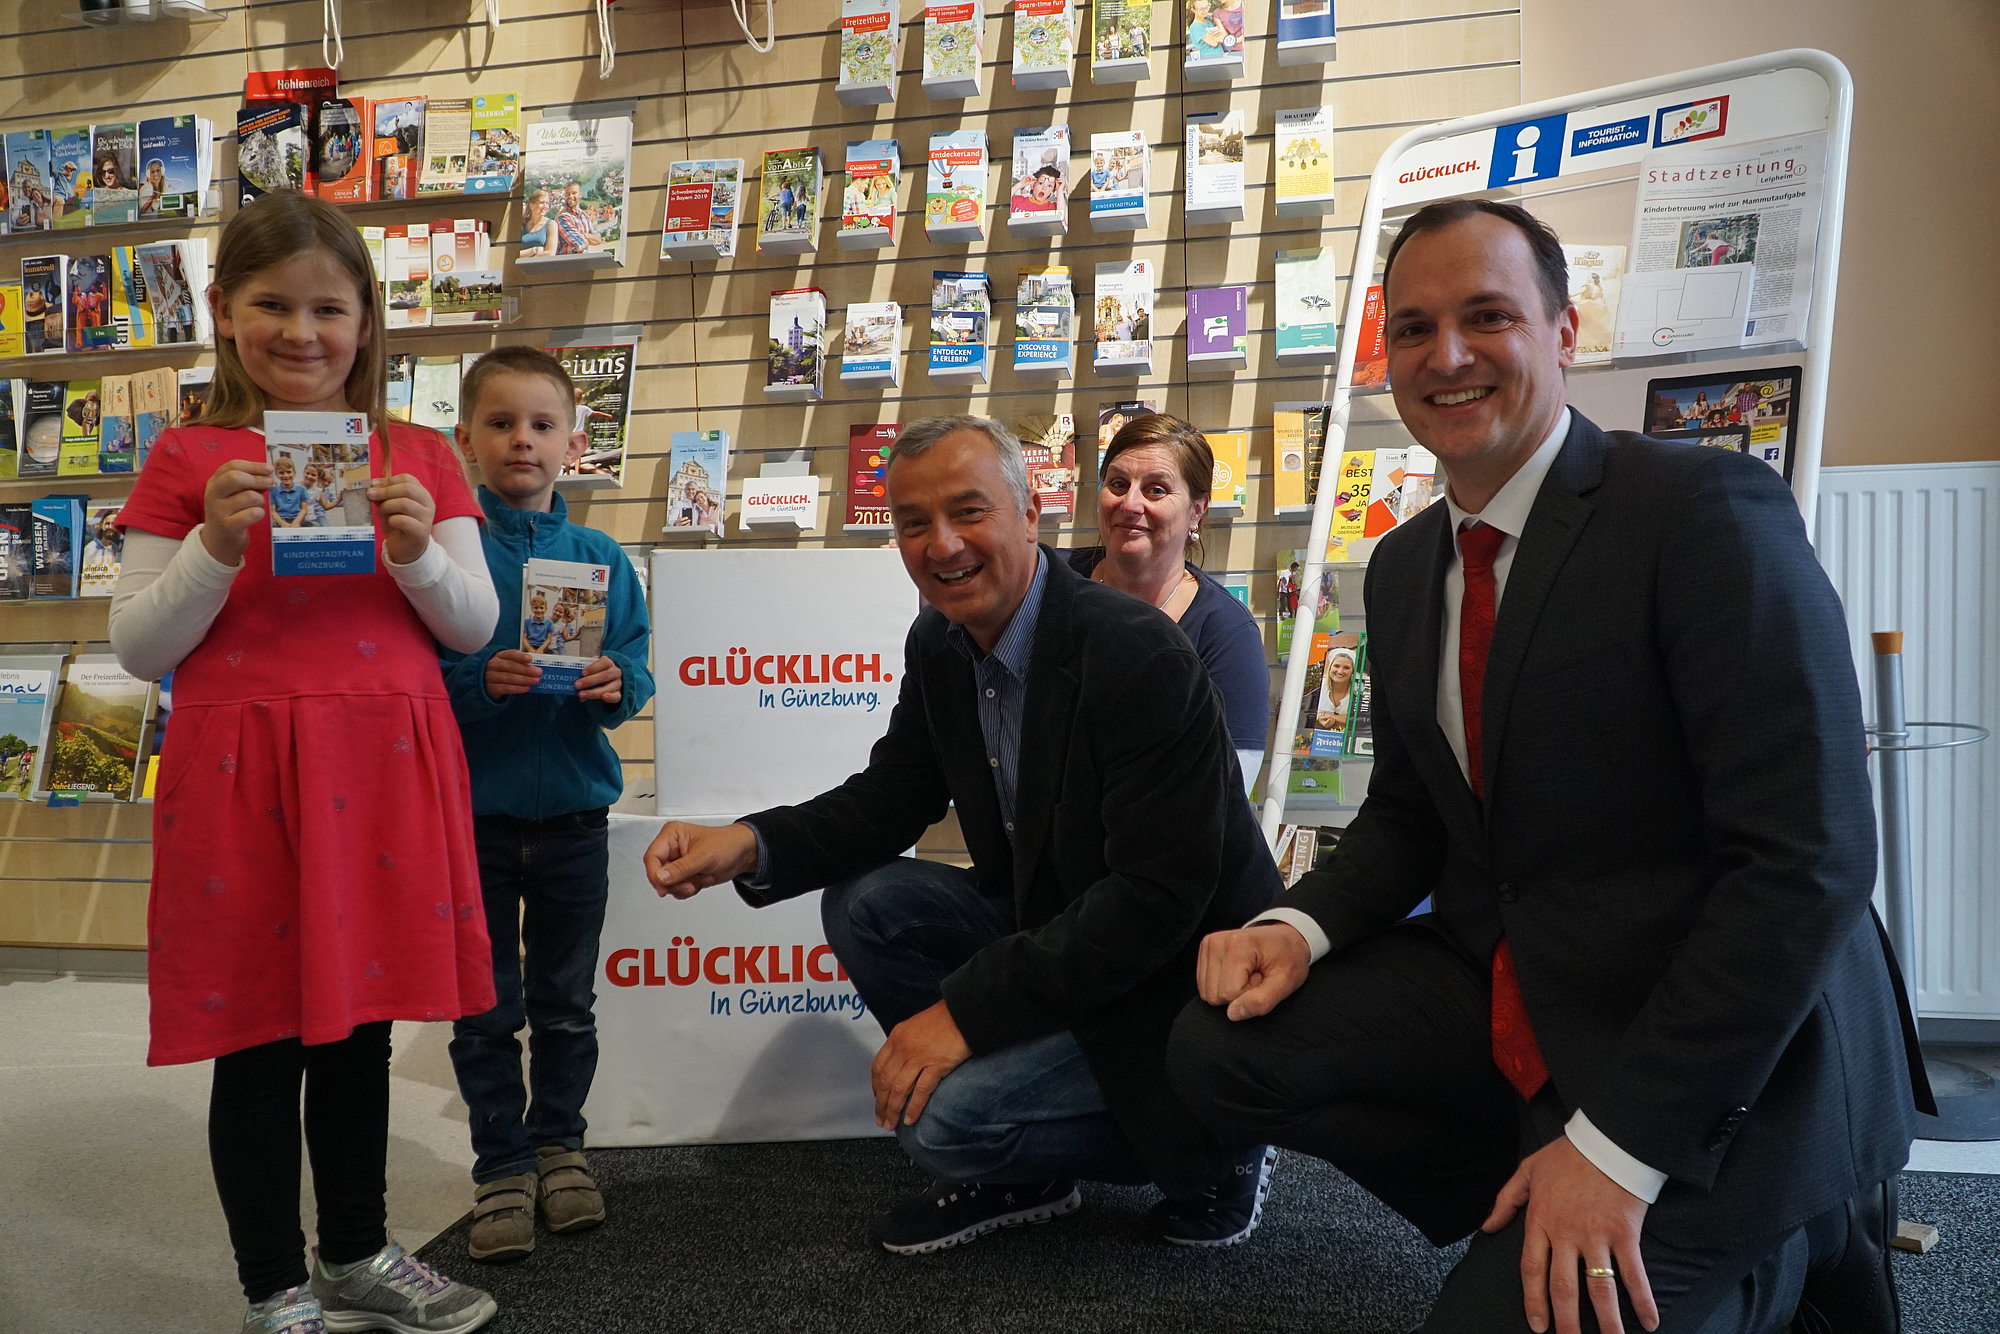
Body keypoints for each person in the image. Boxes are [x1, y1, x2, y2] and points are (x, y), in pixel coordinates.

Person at [1168, 199, 1928, 1334]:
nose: (1447, 355)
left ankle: (1784, 1244)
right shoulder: (1402, 565)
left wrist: (1621, 1150)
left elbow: (1807, 859)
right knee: (1216, 1047)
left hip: (1733, 1049)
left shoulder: (1699, 510)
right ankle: (1535, 1204)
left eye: (1486, 316)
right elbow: (1408, 815)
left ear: (1564, 331)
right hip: (1541, 992)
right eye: (1414, 328)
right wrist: (1295, 928)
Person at [643, 415, 1283, 1257]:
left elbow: (1157, 901)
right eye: (913, 522)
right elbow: (891, 796)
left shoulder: (1138, 653)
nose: (941, 544)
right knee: (871, 903)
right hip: (1064, 933)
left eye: (968, 511)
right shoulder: (941, 640)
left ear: (1031, 516)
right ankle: (1033, 1161)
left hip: (1173, 981)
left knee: (943, 1126)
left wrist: (967, 1018)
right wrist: (751, 843)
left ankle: (1218, 1143)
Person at [105, 190, 502, 1334]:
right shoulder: (186, 458)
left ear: (369, 319)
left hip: (381, 768)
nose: (301, 331)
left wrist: (422, 552)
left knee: (359, 1027)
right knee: (258, 1033)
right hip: (242, 778)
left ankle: (361, 1251)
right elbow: (140, 645)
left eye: (328, 308)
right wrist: (214, 547)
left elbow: (473, 625)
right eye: (271, 304)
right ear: (224, 311)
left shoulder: (421, 452)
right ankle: (275, 1283)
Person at [441, 346, 656, 1263]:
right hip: (475, 824)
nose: (521, 441)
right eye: (500, 423)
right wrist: (480, 680)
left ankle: (561, 1145)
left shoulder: (600, 557)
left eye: (540, 425)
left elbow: (638, 663)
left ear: (573, 442)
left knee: (567, 1002)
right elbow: (422, 684)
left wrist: (618, 681)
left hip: (573, 820)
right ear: (466, 439)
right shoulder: (449, 556)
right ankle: (500, 1165)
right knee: (486, 1010)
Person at [1068, 413, 1268, 791]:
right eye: (1117, 483)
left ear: (1198, 508)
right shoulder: (1051, 579)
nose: (1129, 503)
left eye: (1156, 490)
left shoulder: (1225, 633)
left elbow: (1229, 793)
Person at [553, 180, 600, 256]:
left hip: (584, 262)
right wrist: (588, 238)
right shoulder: (562, 217)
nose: (570, 196)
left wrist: (584, 235)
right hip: (566, 263)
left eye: (574, 193)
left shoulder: (585, 216)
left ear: (580, 194)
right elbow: (578, 245)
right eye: (567, 194)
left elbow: (598, 239)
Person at [517, 189, 551, 258]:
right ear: (531, 205)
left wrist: (527, 256)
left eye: (547, 203)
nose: (545, 206)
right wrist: (534, 250)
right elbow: (513, 254)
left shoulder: (551, 225)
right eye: (541, 203)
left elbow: (550, 253)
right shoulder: (522, 225)